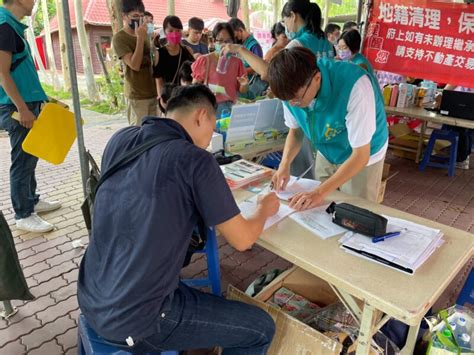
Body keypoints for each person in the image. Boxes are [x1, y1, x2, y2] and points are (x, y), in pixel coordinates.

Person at [77, 85, 278, 354]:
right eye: (213, 126)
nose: (210, 138)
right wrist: (265, 207)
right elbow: (243, 240)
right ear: (202, 116)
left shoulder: (121, 139)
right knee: (260, 329)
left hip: (93, 295)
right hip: (138, 320)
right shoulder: (196, 160)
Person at [268, 47, 389, 208]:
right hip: (327, 147)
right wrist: (284, 164)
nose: (293, 104)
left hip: (364, 153)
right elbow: (295, 131)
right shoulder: (290, 93)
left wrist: (319, 192)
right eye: (287, 100)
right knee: (320, 207)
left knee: (356, 211)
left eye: (296, 99)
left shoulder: (354, 86)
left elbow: (361, 155)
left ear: (317, 78)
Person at [0, 0, 61, 233]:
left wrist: (43, 98)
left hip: (28, 102)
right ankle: (23, 214)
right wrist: (23, 108)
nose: (34, 1)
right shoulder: (4, 25)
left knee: (31, 154)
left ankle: (31, 200)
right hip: (17, 107)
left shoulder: (13, 25)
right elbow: (2, 74)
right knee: (22, 160)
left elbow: (20, 70)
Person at [112, 0, 157, 126]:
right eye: (135, 16)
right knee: (138, 134)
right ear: (124, 16)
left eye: (141, 16)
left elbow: (152, 60)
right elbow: (134, 65)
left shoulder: (145, 34)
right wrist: (140, 38)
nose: (139, 20)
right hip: (137, 95)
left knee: (153, 133)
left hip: (152, 92)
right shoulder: (120, 38)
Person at [192, 22, 248, 118]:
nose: (224, 45)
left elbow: (243, 91)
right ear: (214, 41)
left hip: (231, 109)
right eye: (220, 41)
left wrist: (244, 84)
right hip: (211, 109)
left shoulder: (237, 62)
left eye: (228, 41)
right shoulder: (204, 60)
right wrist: (207, 91)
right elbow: (194, 88)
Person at [154, 15, 195, 97]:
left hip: (186, 96)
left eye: (178, 30)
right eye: (171, 30)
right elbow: (159, 80)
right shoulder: (159, 53)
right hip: (169, 98)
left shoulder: (188, 50)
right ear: (165, 31)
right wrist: (162, 101)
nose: (175, 34)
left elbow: (194, 74)